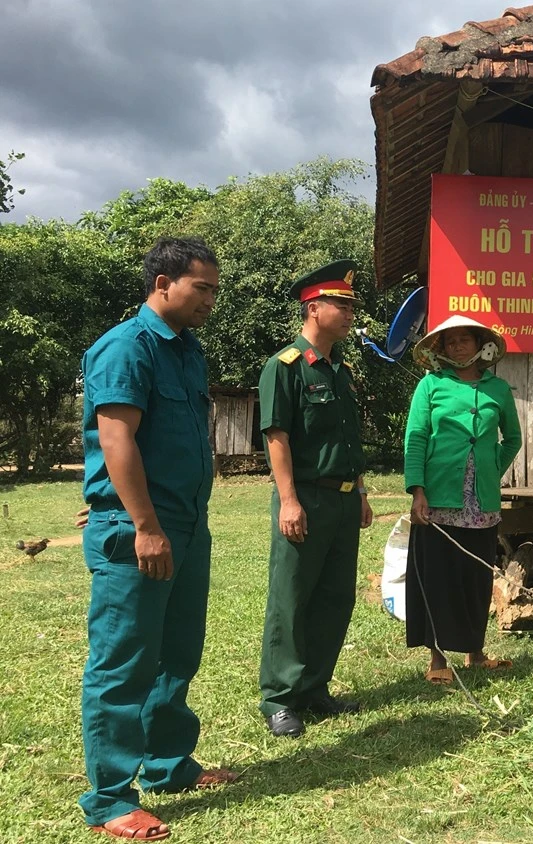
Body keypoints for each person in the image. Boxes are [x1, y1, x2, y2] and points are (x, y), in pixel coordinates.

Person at [79, 236, 236, 841]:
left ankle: (168, 764)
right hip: (140, 529)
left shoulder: (187, 350)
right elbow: (115, 441)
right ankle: (110, 799)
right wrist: (144, 526)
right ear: (163, 281)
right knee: (123, 664)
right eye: (202, 288)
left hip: (187, 526)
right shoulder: (126, 347)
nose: (210, 301)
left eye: (215, 290)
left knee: (177, 653)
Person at [256, 260, 374, 738]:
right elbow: (277, 435)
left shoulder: (340, 370)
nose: (349, 314)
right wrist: (288, 501)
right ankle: (280, 697)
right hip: (305, 497)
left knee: (334, 597)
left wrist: (362, 492)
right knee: (292, 596)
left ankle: (314, 687)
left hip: (344, 501)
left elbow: (348, 439)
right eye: (340, 305)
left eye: (350, 305)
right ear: (313, 308)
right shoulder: (284, 367)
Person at [404, 315, 521, 684]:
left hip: (480, 502)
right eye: (448, 342)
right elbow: (416, 438)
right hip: (438, 496)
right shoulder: (431, 385)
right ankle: (437, 660)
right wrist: (417, 490)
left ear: (479, 345)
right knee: (438, 577)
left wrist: (489, 468)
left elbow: (512, 439)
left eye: (462, 340)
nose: (455, 346)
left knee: (475, 577)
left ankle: (476, 653)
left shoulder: (497, 389)